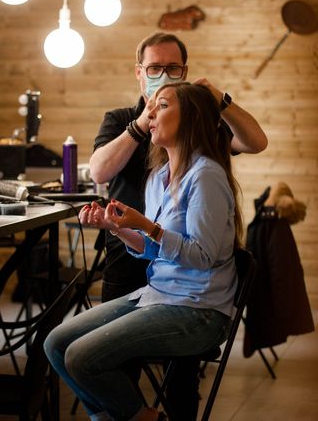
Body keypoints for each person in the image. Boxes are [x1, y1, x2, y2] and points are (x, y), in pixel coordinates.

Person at [86, 31, 267, 419]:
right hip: (132, 256)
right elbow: (99, 170)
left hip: (191, 281)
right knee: (108, 363)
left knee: (180, 379)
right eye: (155, 68)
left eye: (173, 68)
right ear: (140, 73)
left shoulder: (200, 132)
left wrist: (220, 100)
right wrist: (143, 123)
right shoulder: (124, 121)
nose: (164, 75)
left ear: (185, 71)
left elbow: (255, 142)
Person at [44, 82, 243, 421]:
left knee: (81, 358)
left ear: (190, 117)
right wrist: (117, 228)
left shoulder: (206, 176)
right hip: (159, 294)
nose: (150, 115)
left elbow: (202, 257)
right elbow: (154, 250)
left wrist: (147, 226)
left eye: (162, 106)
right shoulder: (159, 176)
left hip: (199, 311)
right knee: (56, 345)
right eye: (151, 108)